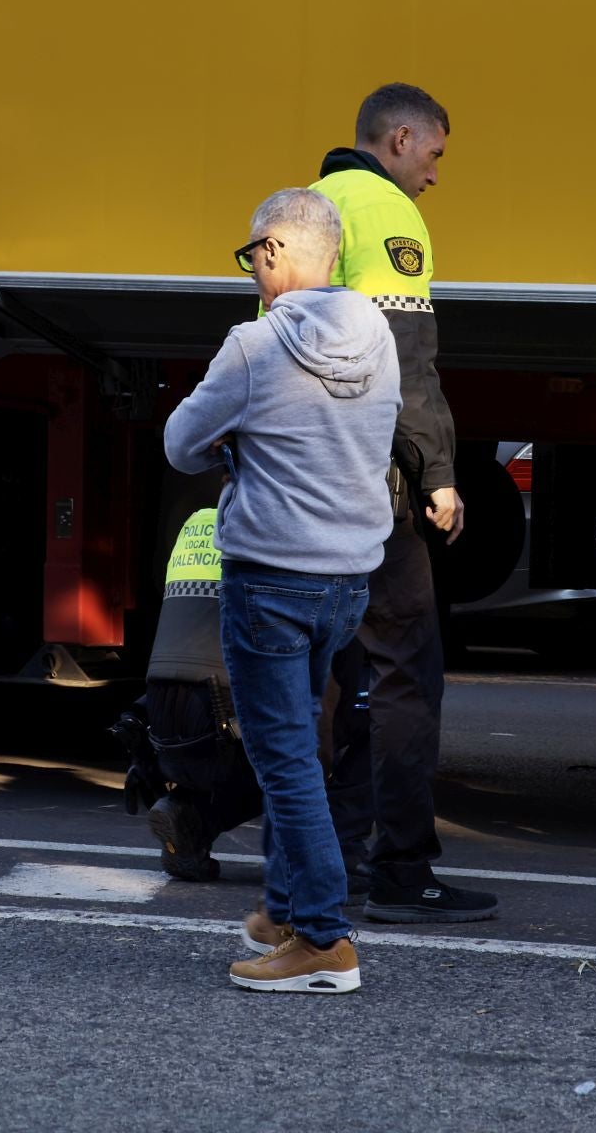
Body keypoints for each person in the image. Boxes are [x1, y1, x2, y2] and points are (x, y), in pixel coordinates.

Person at [164, 187, 400, 993]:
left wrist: (241, 429)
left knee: (286, 757)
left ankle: (324, 940)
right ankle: (283, 907)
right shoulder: (379, 334)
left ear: (274, 251)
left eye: (253, 257)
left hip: (271, 579)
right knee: (302, 743)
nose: (253, 272)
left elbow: (179, 444)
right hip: (347, 583)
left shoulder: (253, 346)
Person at [312, 83, 498, 925]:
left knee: (330, 676)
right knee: (405, 675)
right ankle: (402, 871)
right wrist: (439, 476)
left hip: (303, 483)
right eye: (434, 154)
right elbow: (406, 362)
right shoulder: (386, 212)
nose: (435, 175)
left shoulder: (307, 206)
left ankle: (328, 860)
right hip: (370, 485)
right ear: (397, 140)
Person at [117, 500, 371, 891]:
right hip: (221, 725)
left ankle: (194, 816)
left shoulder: (198, 521)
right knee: (367, 719)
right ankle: (337, 852)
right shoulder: (298, 533)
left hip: (161, 725)